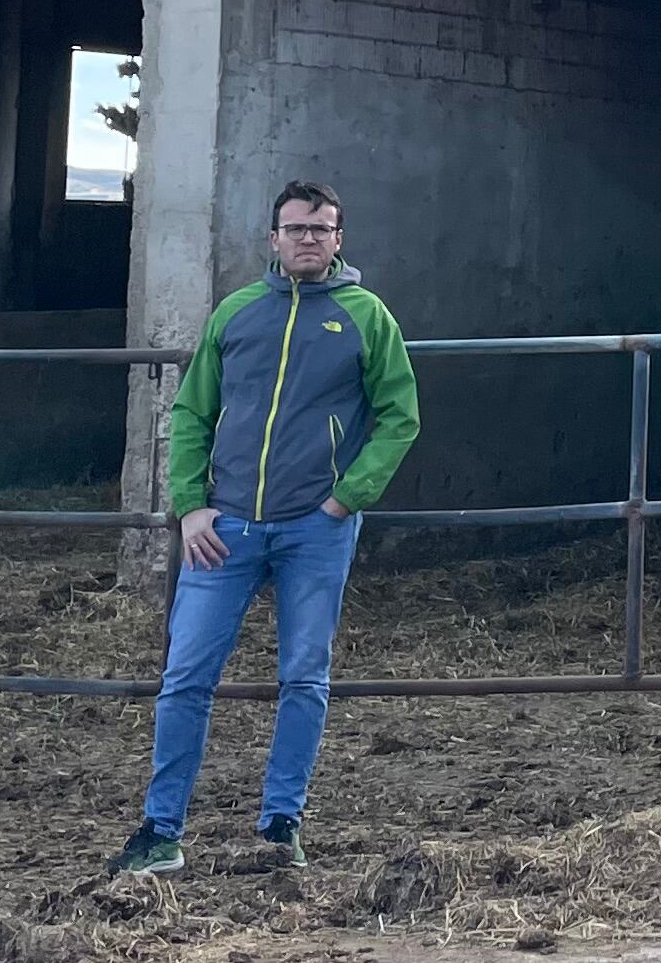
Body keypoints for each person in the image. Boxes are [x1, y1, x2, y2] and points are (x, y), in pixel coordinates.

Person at [112, 178, 420, 875]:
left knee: (304, 675)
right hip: (226, 529)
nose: (308, 239)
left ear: (339, 239)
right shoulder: (237, 314)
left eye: (321, 228)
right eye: (296, 228)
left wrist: (348, 497)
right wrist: (190, 505)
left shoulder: (367, 317)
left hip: (315, 527)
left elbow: (401, 414)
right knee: (185, 673)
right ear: (273, 238)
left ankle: (281, 826)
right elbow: (192, 413)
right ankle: (161, 832)